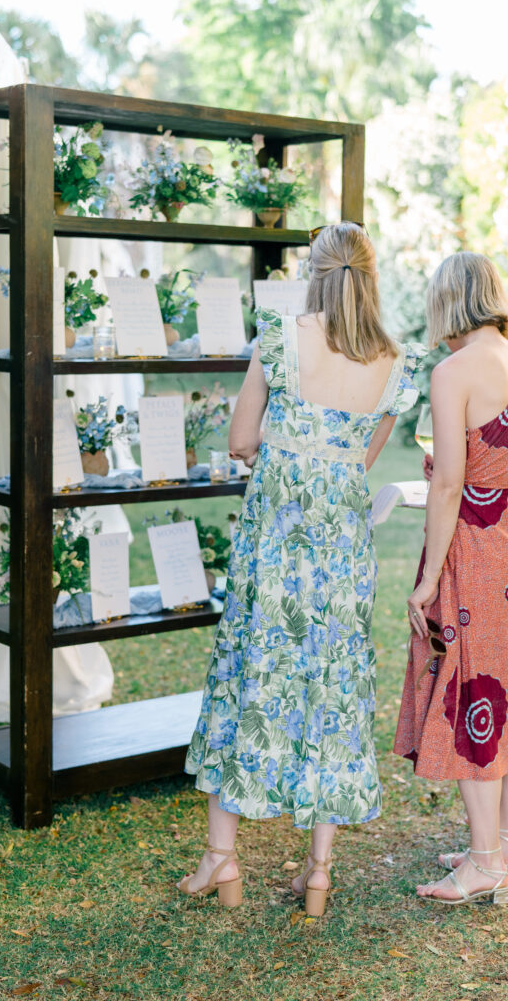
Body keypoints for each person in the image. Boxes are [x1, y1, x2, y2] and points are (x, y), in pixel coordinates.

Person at [179, 222, 421, 913]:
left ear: (312, 271)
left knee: (250, 673)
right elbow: (360, 461)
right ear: (370, 275)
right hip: (340, 554)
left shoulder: (280, 337)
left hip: (274, 546)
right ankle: (317, 872)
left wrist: (283, 455)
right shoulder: (394, 361)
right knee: (332, 687)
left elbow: (240, 440)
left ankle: (222, 859)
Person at [394, 252, 508, 905]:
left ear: (445, 300)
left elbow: (451, 483)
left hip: (474, 552)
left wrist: (429, 576)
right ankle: (503, 843)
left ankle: (485, 860)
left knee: (473, 695)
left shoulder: (453, 372)